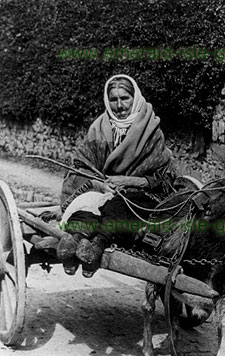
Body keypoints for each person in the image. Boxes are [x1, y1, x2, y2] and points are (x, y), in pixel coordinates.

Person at [57, 74, 175, 277]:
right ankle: (75, 240)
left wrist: (129, 181)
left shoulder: (151, 131)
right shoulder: (99, 127)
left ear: (135, 98)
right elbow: (81, 166)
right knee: (88, 202)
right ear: (107, 100)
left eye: (125, 98)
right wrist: (101, 185)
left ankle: (97, 245)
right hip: (102, 187)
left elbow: (164, 177)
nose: (119, 106)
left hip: (137, 194)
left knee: (118, 207)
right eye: (114, 99)